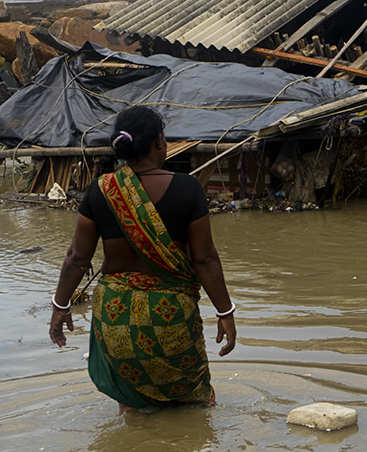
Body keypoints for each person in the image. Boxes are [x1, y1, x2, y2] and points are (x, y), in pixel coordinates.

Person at [48, 106, 236, 413]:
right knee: (194, 403)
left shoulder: (100, 191)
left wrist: (60, 307)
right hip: (170, 317)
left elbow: (75, 258)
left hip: (115, 317)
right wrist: (225, 312)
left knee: (131, 406)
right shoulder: (187, 188)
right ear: (159, 142)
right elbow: (205, 260)